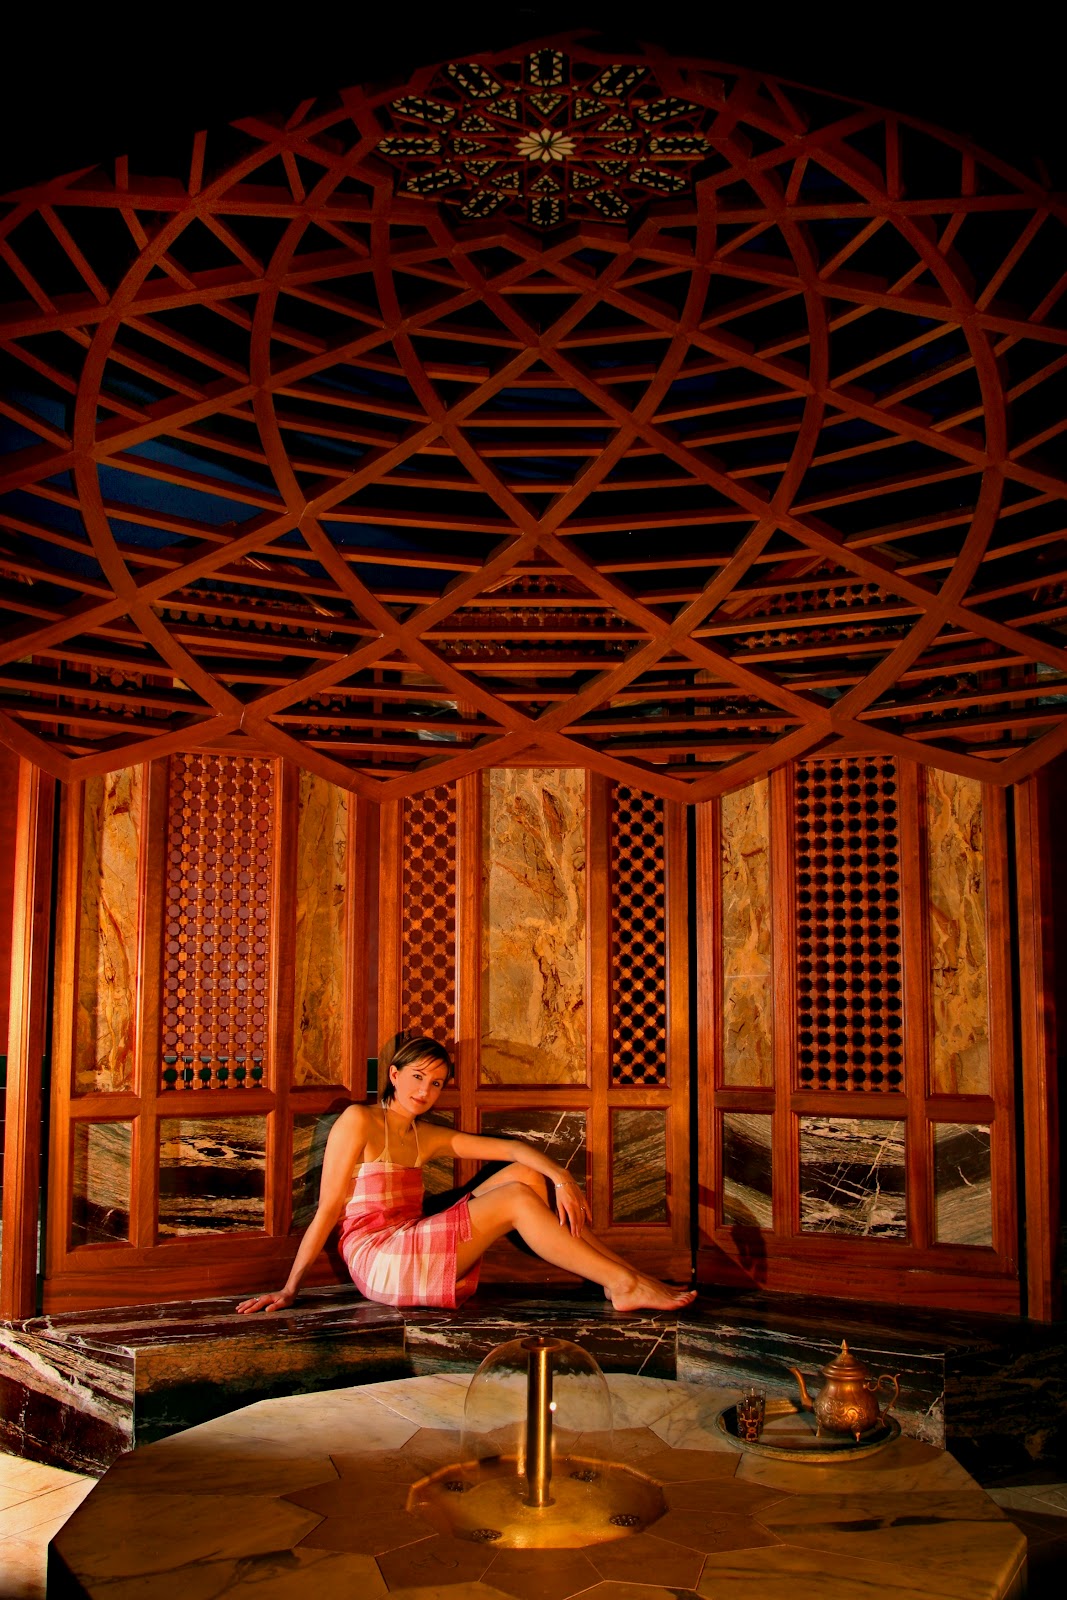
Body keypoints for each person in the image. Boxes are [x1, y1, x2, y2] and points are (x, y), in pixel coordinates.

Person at [237, 1035, 697, 1315]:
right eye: (418, 1077)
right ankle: (623, 1284)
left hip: (410, 1238)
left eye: (436, 1083)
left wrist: (561, 1176)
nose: (425, 1091)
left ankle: (622, 1276)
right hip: (379, 1259)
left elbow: (512, 1150)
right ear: (394, 1075)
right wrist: (290, 1288)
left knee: (525, 1174)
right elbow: (328, 1210)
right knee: (516, 1197)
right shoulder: (359, 1120)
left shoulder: (426, 1136)